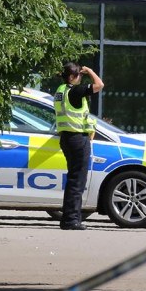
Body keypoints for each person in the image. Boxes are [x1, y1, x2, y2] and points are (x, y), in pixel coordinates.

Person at [54, 62, 104, 230]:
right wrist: (90, 70)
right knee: (77, 181)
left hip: (66, 138)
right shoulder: (75, 91)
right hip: (77, 139)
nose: (81, 78)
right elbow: (100, 85)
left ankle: (68, 218)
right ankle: (71, 220)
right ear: (71, 77)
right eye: (79, 75)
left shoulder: (60, 91)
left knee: (73, 179)